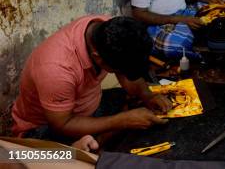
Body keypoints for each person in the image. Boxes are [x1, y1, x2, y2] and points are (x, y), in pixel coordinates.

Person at [11, 16, 173, 144]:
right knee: (74, 156)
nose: (124, 75)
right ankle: (98, 141)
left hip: (88, 105)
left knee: (136, 103)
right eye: (120, 70)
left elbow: (130, 76)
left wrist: (148, 96)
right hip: (46, 127)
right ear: (98, 58)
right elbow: (62, 125)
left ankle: (101, 137)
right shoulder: (56, 69)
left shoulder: (106, 28)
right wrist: (122, 121)